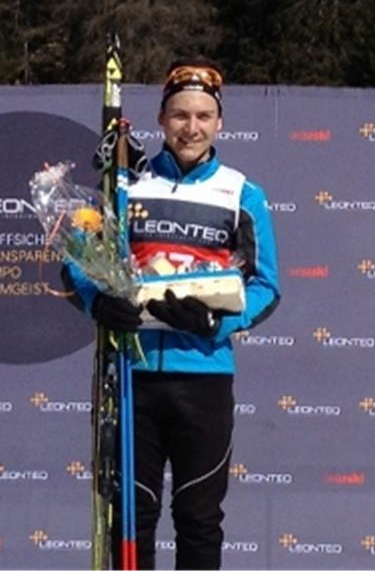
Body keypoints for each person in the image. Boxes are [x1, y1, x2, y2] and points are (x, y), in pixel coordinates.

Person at [63, 59, 281, 570]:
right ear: (162, 120)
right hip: (134, 377)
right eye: (180, 115)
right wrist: (100, 303)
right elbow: (77, 265)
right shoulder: (125, 186)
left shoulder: (241, 193)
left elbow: (267, 286)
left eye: (204, 116)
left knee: (199, 517)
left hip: (203, 377)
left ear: (219, 123)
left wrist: (219, 322)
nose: (192, 127)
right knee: (133, 517)